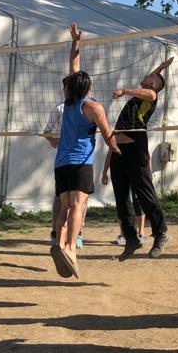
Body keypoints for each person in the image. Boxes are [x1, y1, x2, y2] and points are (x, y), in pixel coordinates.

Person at [51, 23, 120, 279]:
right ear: (87, 87)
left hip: (61, 162)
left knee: (65, 207)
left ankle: (59, 243)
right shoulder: (93, 107)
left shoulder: (69, 103)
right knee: (79, 204)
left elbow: (74, 66)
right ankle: (70, 249)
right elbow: (108, 134)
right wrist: (116, 149)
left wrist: (76, 42)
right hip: (80, 162)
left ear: (71, 87)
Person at [103, 57, 174, 261]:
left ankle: (161, 233)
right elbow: (153, 80)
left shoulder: (149, 96)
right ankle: (131, 239)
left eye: (151, 76)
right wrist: (160, 67)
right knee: (121, 199)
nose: (147, 75)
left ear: (154, 85)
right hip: (119, 151)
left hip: (135, 148)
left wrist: (124, 91)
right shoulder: (142, 93)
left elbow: (152, 92)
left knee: (144, 194)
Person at [45, 79, 88, 249]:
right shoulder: (60, 108)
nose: (66, 90)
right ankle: (56, 234)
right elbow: (47, 131)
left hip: (82, 159)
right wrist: (52, 140)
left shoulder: (86, 107)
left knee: (80, 199)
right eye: (65, 87)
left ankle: (77, 233)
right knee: (61, 199)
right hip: (64, 159)